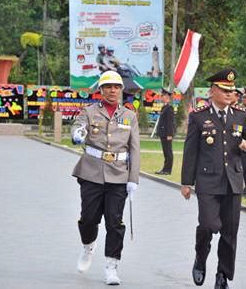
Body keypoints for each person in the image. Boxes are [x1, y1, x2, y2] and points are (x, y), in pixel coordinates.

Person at [180, 68, 246, 289]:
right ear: (212, 91)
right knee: (208, 225)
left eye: (232, 90)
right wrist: (186, 182)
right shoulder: (199, 116)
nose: (230, 94)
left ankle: (223, 275)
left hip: (233, 181)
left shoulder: (241, 114)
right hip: (208, 181)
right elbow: (190, 150)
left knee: (230, 233)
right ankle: (200, 258)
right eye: (224, 90)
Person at [71, 70, 140, 285]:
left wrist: (133, 179)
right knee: (89, 218)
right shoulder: (89, 112)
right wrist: (77, 134)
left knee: (114, 222)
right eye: (108, 86)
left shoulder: (129, 116)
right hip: (91, 171)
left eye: (116, 87)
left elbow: (135, 148)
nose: (112, 90)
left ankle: (111, 266)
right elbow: (78, 127)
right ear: (100, 90)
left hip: (119, 174)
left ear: (121, 90)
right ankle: (88, 245)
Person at [155, 87, 175, 175]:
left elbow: (170, 123)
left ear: (167, 96)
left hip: (167, 134)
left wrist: (170, 134)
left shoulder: (169, 108)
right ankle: (165, 169)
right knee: (165, 152)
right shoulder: (164, 107)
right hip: (163, 133)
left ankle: (167, 170)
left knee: (168, 152)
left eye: (162, 95)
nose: (161, 97)